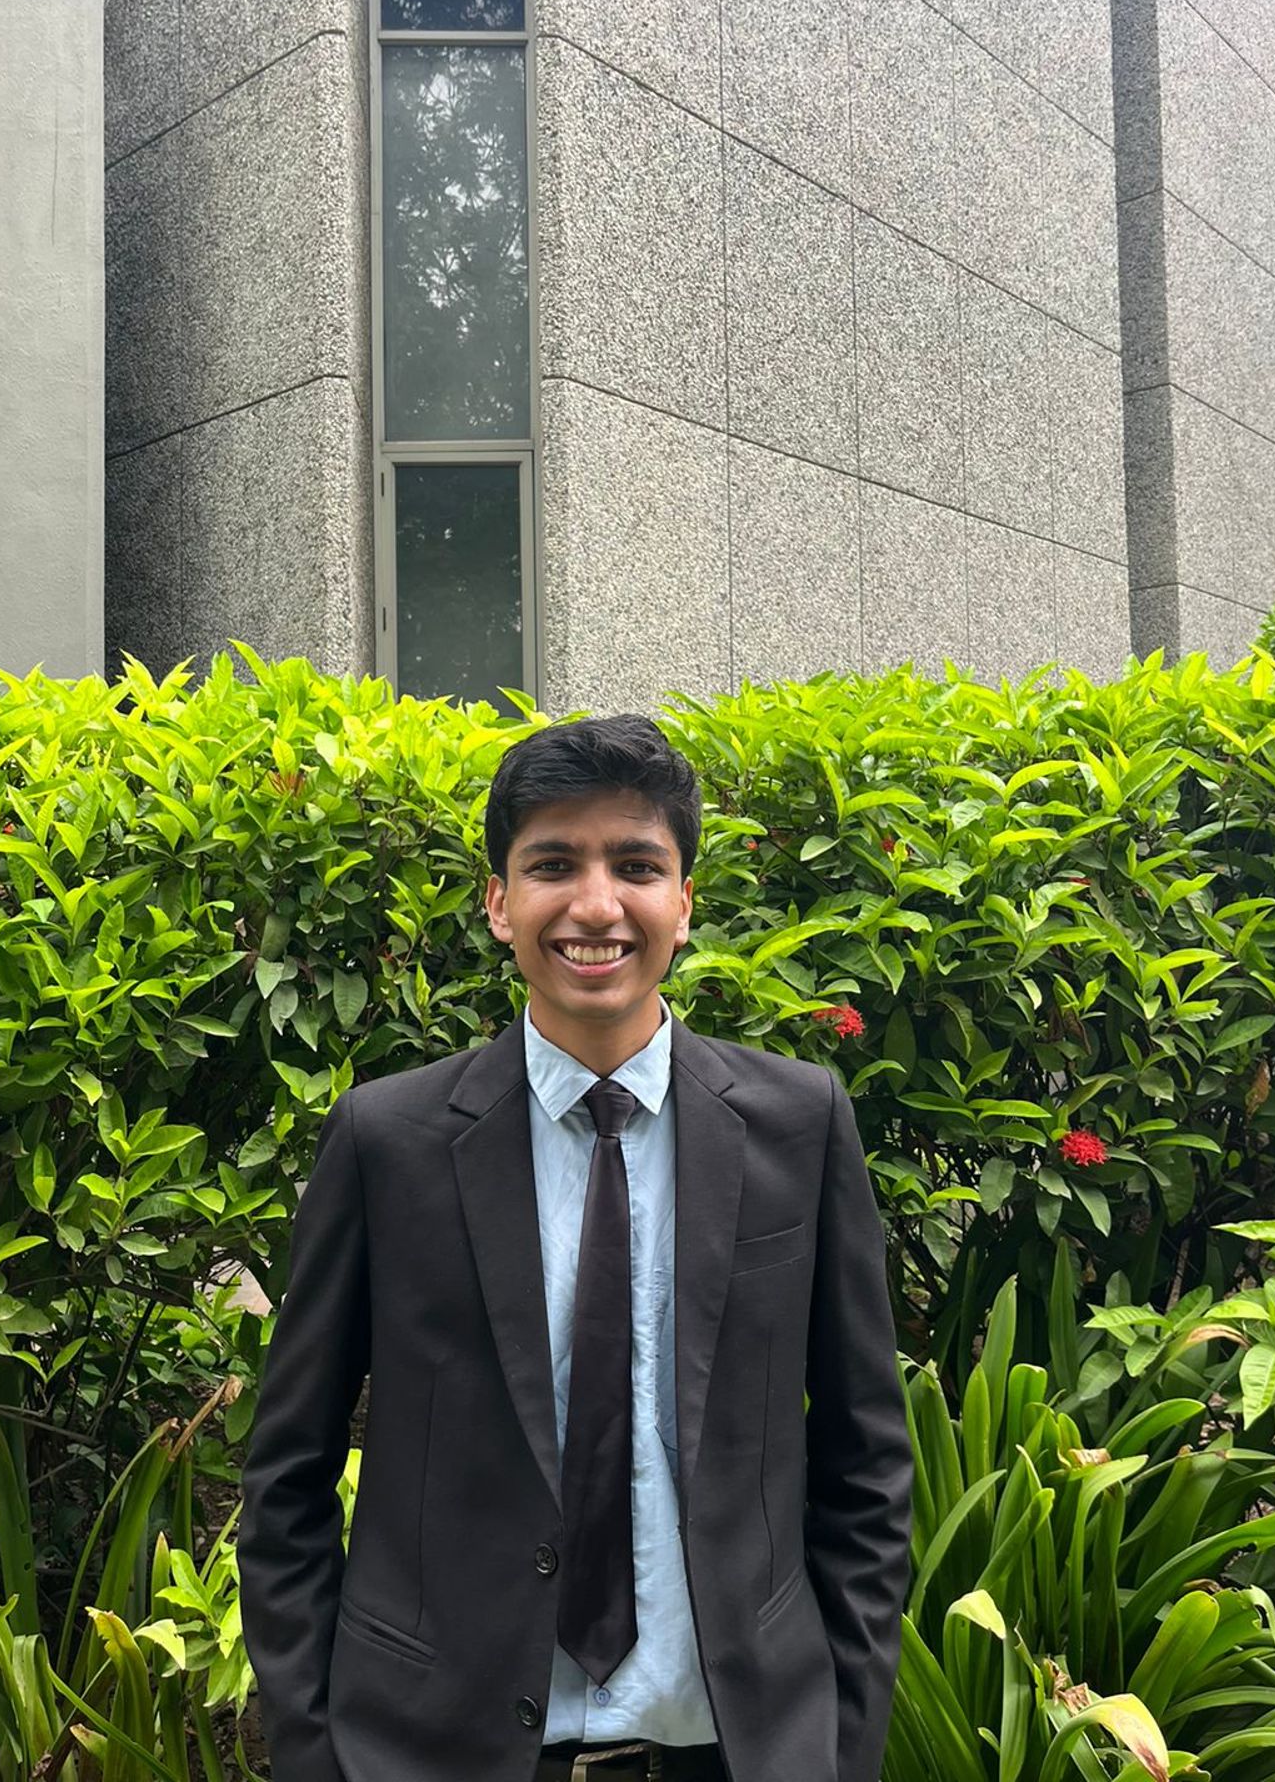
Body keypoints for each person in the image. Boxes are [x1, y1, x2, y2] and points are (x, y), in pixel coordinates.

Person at [237, 715, 913, 1782]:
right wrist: (319, 1753)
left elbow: (866, 1462)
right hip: (437, 1754)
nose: (596, 905)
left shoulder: (799, 1124)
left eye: (636, 866)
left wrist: (842, 1741)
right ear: (499, 902)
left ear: (684, 901)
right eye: (553, 864)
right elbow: (287, 1474)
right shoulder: (388, 1143)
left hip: (737, 1753)